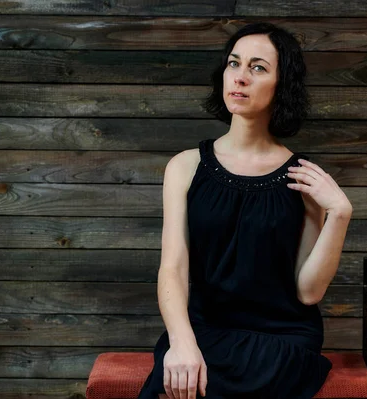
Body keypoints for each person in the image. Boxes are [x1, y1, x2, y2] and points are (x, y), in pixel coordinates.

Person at [137, 22, 353, 399]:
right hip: (205, 331)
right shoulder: (185, 167)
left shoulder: (302, 177)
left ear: (281, 85)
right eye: (234, 64)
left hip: (280, 339)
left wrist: (340, 213)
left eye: (258, 68)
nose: (240, 77)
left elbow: (308, 292)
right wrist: (182, 342)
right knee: (172, 379)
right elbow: (173, 267)